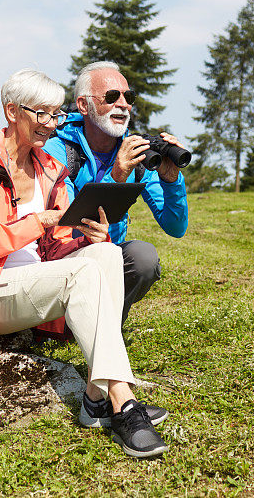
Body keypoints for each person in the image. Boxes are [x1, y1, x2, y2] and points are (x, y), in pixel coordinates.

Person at [0, 69, 169, 458]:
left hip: (34, 285)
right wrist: (33, 223)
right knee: (83, 269)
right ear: (12, 111)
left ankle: (95, 398)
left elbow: (57, 241)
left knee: (106, 252)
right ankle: (123, 402)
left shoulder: (48, 167)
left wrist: (82, 238)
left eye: (56, 115)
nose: (51, 124)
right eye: (41, 114)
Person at [43, 61, 189, 323]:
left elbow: (175, 227)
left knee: (143, 258)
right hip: (62, 259)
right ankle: (65, 322)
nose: (123, 104)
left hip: (108, 255)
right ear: (84, 105)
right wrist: (117, 176)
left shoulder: (138, 153)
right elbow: (67, 226)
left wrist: (171, 179)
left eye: (128, 97)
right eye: (111, 97)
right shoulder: (57, 150)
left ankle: (103, 323)